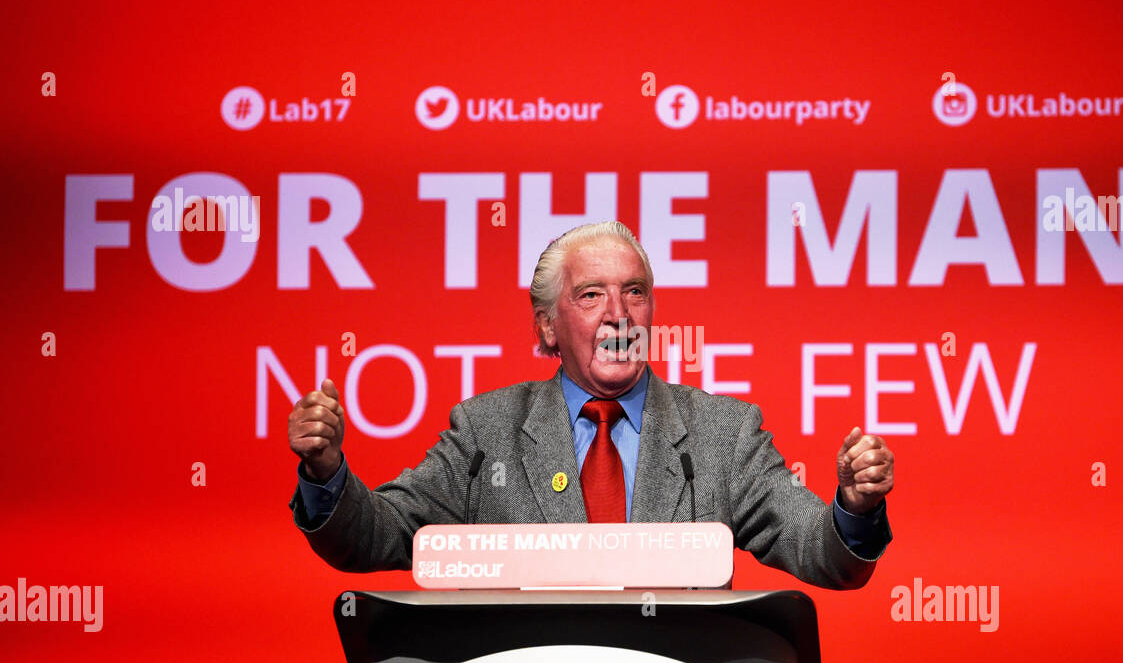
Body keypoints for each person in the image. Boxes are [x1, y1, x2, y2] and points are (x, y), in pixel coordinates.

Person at [287, 221, 896, 589]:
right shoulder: (486, 432)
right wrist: (325, 472)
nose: (618, 313)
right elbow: (376, 537)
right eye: (590, 295)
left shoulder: (722, 434)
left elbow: (819, 549)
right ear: (548, 328)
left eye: (635, 292)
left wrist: (854, 505)